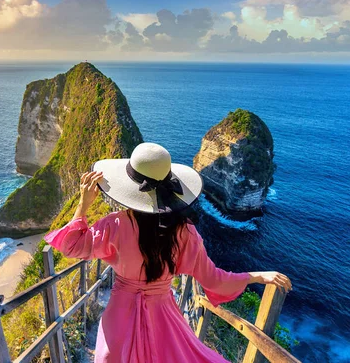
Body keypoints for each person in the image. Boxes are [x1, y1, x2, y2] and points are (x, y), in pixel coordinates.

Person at [44, 143, 292, 363]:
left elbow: (72, 246)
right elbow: (214, 279)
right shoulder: (185, 232)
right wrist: (256, 276)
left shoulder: (114, 225)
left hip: (119, 318)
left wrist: (83, 204)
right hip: (163, 319)